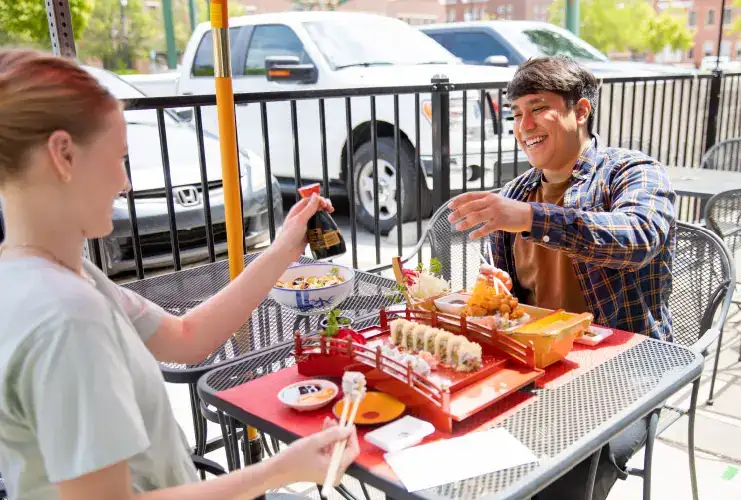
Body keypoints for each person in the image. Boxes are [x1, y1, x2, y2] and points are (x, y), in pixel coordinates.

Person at [0, 49, 359, 499]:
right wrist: (279, 471)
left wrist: (287, 246)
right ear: (64, 155)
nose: (124, 183)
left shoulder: (43, 276)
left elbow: (188, 337)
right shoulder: (68, 316)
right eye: (119, 158)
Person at [448, 56, 676, 499]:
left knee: (559, 479)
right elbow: (518, 294)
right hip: (533, 368)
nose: (524, 124)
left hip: (623, 375)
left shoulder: (630, 170)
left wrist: (533, 218)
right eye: (515, 113)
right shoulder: (515, 192)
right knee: (451, 450)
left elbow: (640, 236)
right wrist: (499, 290)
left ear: (582, 110)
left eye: (538, 107)